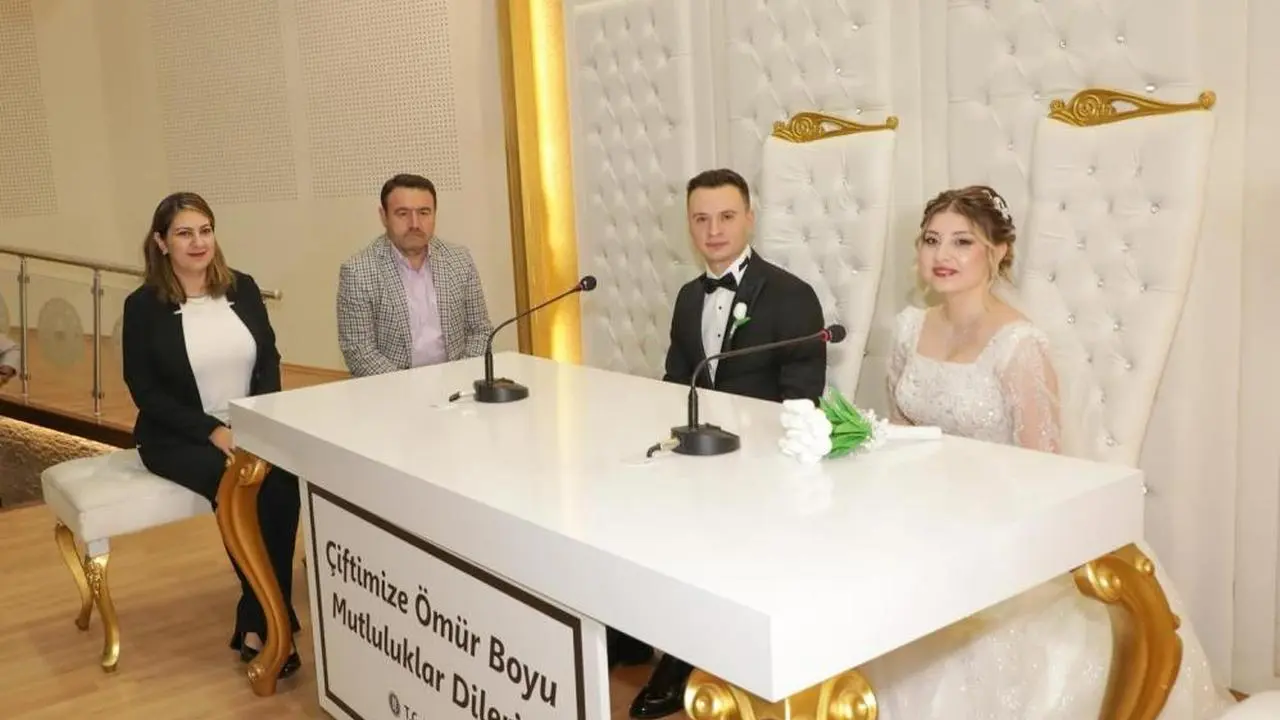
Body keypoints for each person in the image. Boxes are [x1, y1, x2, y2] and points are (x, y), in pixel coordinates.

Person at [869, 185, 1235, 718]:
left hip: (1001, 521)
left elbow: (1042, 468)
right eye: (931, 240)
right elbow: (904, 427)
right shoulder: (909, 327)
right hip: (926, 515)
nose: (942, 254)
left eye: (962, 242)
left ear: (998, 252)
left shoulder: (1018, 345)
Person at [621, 168, 828, 719]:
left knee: (705, 533)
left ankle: (685, 659)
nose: (713, 230)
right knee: (633, 504)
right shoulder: (689, 297)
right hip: (698, 460)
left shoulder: (792, 296)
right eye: (701, 219)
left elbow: (801, 399)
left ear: (749, 220)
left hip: (762, 472)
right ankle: (644, 634)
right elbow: (676, 382)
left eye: (727, 217)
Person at [121, 192, 302, 679]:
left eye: (205, 230)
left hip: (247, 426)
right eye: (184, 233)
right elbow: (145, 391)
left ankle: (259, 616)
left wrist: (258, 420)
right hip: (178, 434)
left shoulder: (242, 288)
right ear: (161, 243)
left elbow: (269, 359)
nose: (198, 242)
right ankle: (275, 624)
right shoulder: (143, 306)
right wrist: (213, 431)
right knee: (239, 487)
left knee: (283, 484)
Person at [336, 173, 493, 377]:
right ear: (384, 216)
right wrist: (410, 388)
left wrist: (457, 376)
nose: (415, 224)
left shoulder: (460, 260)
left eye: (424, 213)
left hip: (455, 382)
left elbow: (480, 331)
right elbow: (359, 351)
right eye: (402, 214)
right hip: (391, 388)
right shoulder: (357, 272)